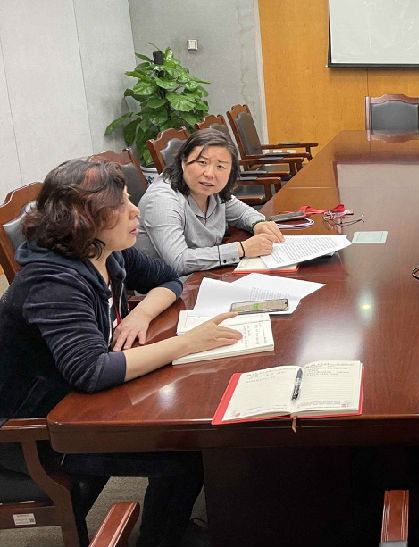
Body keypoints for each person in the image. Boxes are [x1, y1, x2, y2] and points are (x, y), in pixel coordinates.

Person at [0, 159, 244, 547]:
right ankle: (161, 538)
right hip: (36, 433)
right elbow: (91, 372)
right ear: (83, 219)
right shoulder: (52, 280)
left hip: (79, 404)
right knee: (185, 454)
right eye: (121, 204)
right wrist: (187, 343)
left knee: (189, 432)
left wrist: (140, 315)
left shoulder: (106, 251)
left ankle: (167, 531)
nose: (135, 210)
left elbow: (169, 279)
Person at [136, 128, 285, 275]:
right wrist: (241, 249)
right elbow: (179, 261)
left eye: (220, 166)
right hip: (167, 284)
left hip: (205, 273)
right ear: (183, 162)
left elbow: (242, 213)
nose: (209, 174)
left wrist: (258, 224)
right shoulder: (162, 200)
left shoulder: (213, 191)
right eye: (202, 162)